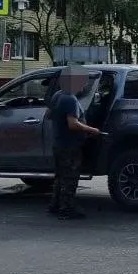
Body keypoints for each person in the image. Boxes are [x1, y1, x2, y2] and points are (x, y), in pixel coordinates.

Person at [46, 67, 103, 220]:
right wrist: (92, 130)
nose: (84, 85)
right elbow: (72, 124)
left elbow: (49, 115)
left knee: (60, 177)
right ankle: (66, 209)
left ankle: (55, 205)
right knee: (70, 178)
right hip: (69, 145)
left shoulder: (57, 95)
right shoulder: (70, 99)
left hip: (58, 143)